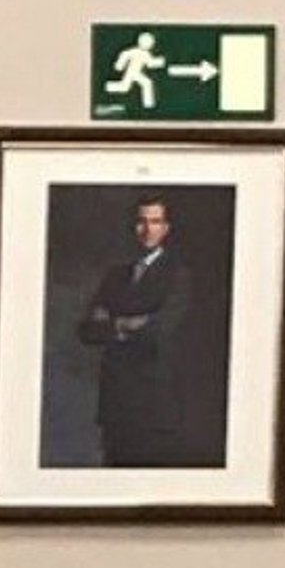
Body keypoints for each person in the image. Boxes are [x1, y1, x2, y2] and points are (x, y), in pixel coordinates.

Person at [77, 194, 192, 467]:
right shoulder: (115, 275)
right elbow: (87, 330)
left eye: (155, 221)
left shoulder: (178, 275)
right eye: (142, 221)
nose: (147, 229)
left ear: (166, 228)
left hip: (153, 400)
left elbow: (160, 329)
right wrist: (124, 324)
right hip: (115, 399)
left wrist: (112, 321)